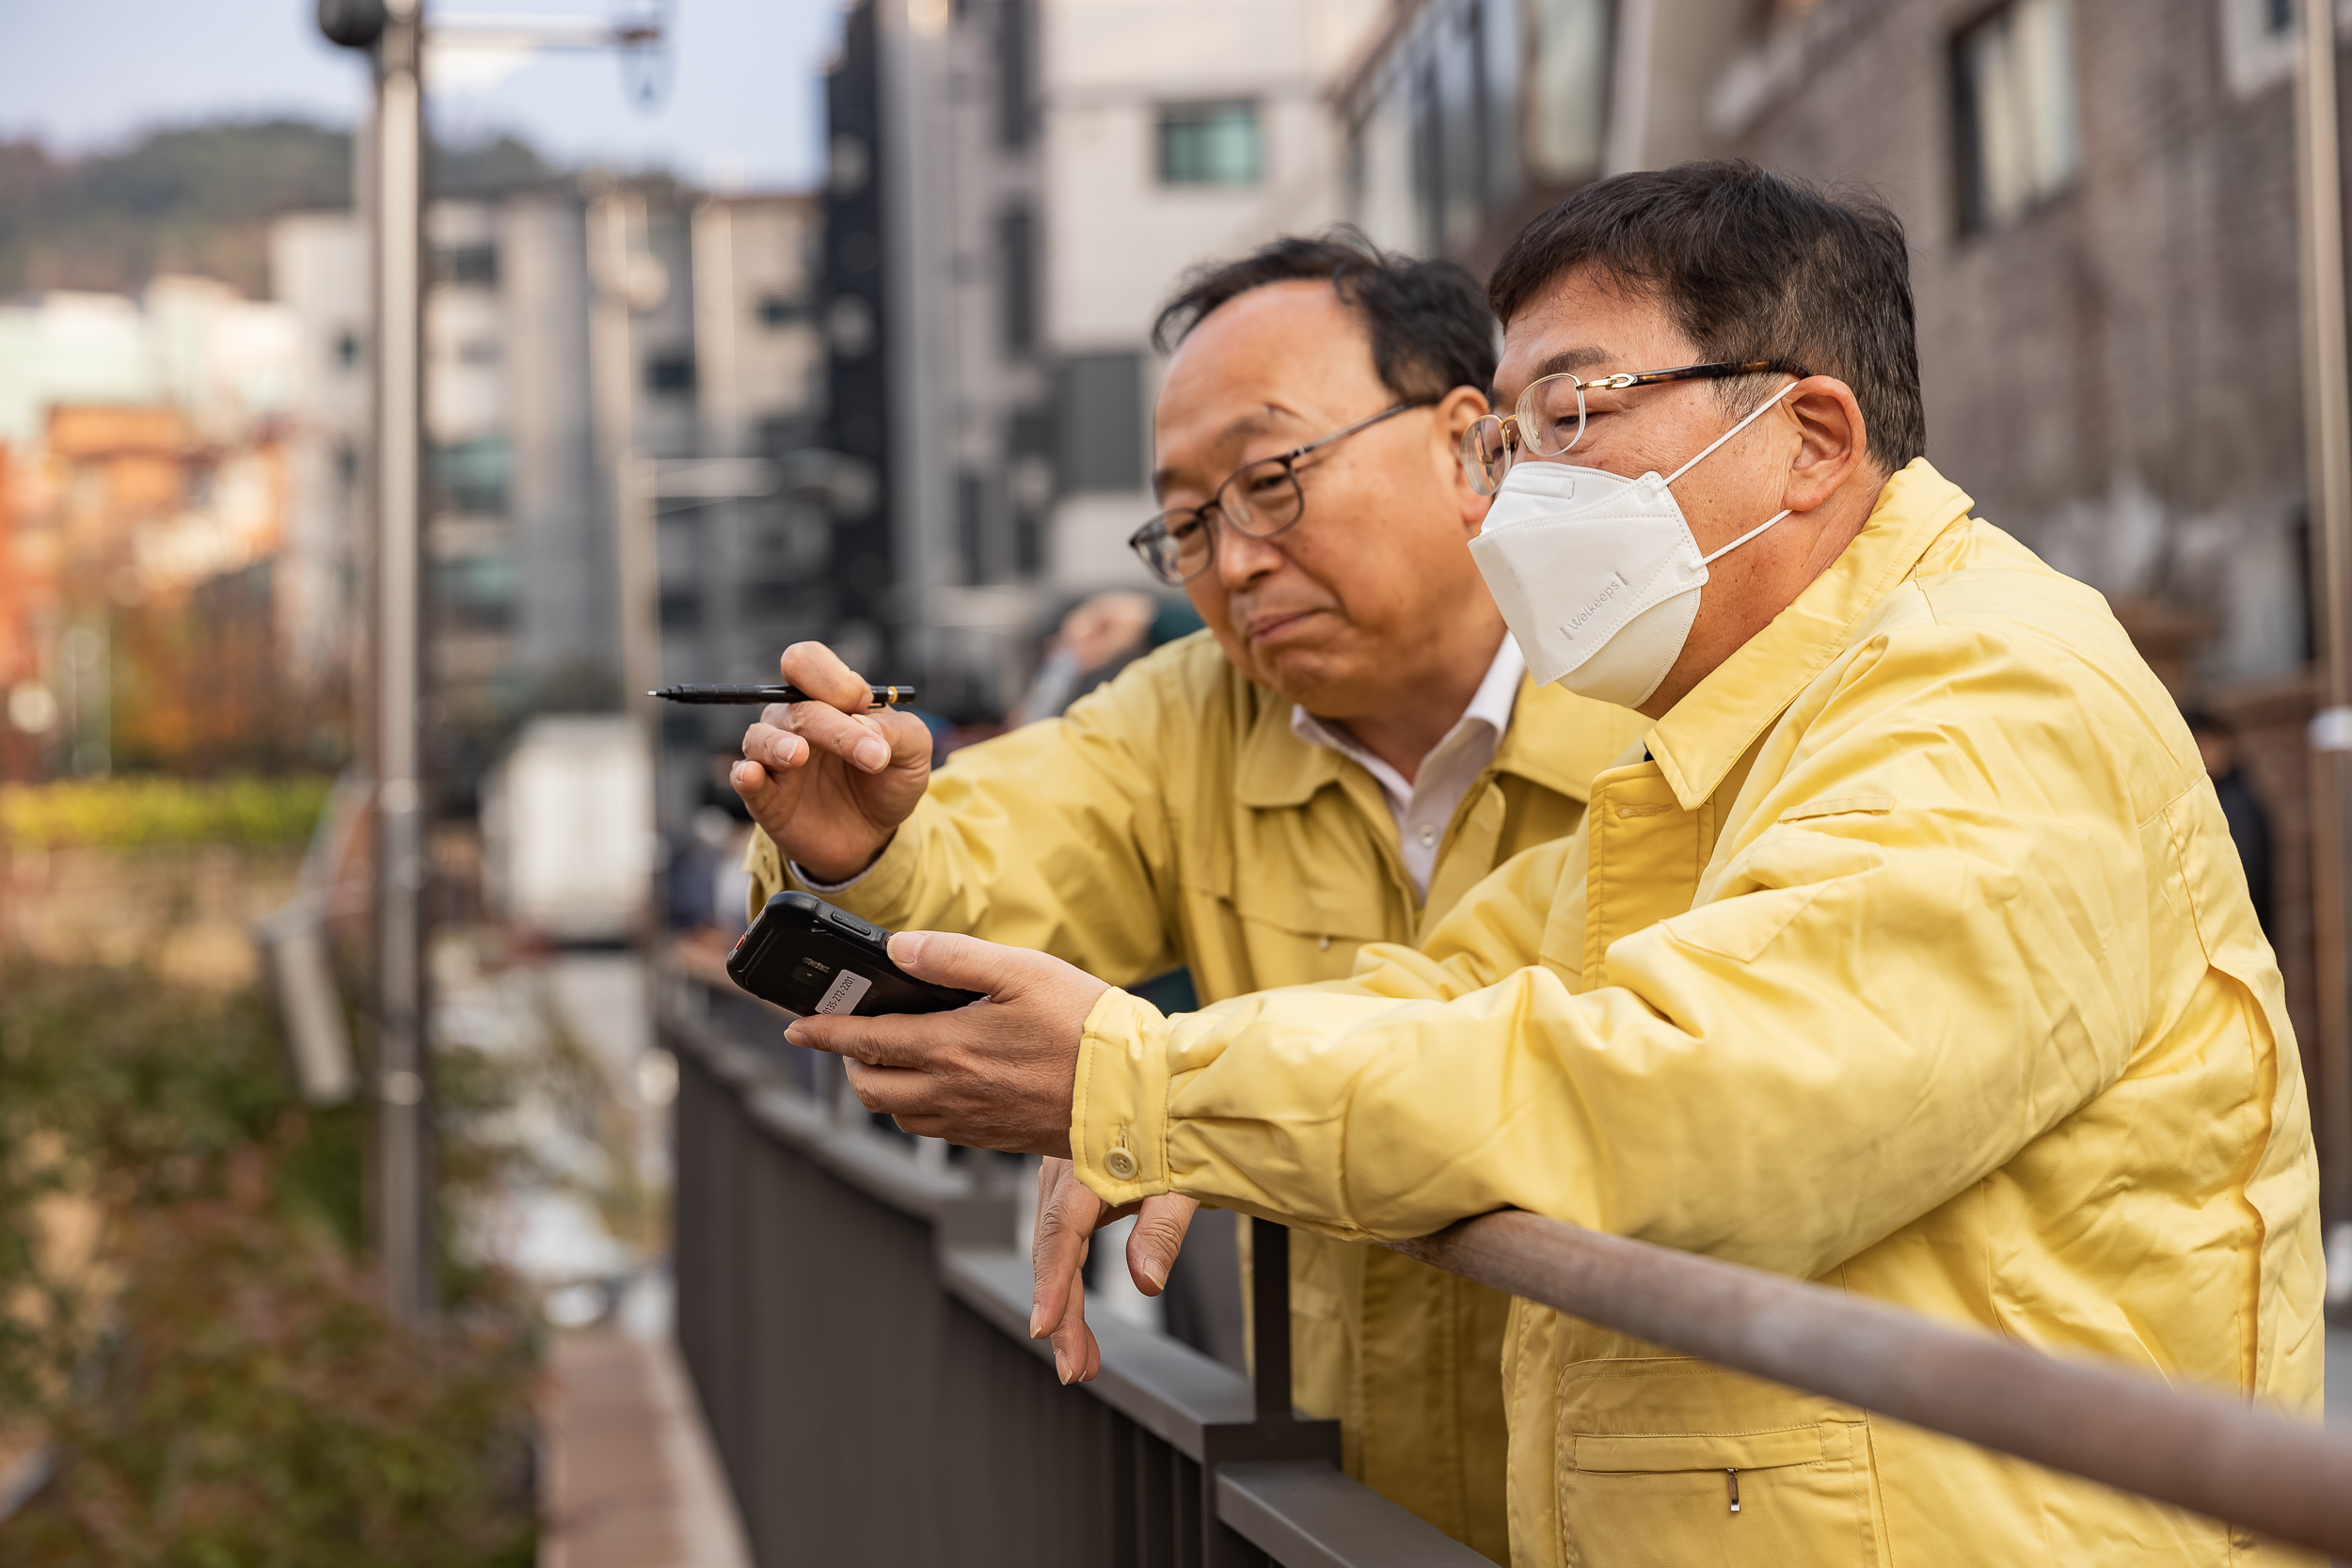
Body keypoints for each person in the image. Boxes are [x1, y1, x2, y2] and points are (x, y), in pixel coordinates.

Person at [783, 164, 2322, 1566]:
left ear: (1809, 437)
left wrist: (1150, 1093)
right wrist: (1151, 1085)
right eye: (1513, 438)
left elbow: (1703, 1097)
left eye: (1571, 417)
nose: (1518, 495)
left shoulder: (1989, 692)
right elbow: (1456, 980)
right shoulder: (1716, 739)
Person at [729, 233, 1646, 1558]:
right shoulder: (1193, 718)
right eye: (1189, 522)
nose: (1233, 560)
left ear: (1471, 444)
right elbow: (989, 855)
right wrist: (853, 844)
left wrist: (1155, 1094)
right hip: (1354, 1513)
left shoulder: (1657, 676)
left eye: (1272, 481)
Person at [2185, 707, 2274, 934]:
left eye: (2205, 745)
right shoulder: (2217, 797)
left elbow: (2242, 873)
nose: (2201, 755)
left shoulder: (2235, 802)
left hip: (2235, 931)